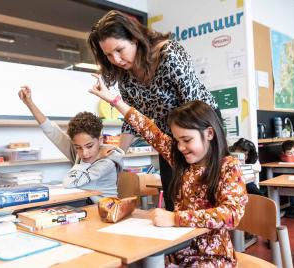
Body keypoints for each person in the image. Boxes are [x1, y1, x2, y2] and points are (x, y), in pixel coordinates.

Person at [89, 76, 247, 267]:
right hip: (175, 251)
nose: (180, 147)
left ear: (209, 133)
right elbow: (148, 128)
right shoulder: (181, 160)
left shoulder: (228, 166)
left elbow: (231, 215)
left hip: (211, 258)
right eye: (177, 140)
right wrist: (115, 101)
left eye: (187, 140)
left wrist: (174, 217)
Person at [88, 10, 221, 211]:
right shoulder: (125, 76)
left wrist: (187, 144)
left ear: (134, 38)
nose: (116, 59)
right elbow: (133, 118)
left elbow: (194, 107)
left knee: (206, 192)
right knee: (172, 194)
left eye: (119, 50)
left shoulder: (168, 54)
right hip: (167, 135)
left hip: (201, 126)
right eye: (108, 55)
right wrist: (118, 155)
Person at [18, 86, 124, 204]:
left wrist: (86, 161)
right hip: (85, 205)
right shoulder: (81, 153)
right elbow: (52, 132)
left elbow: (70, 183)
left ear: (100, 140)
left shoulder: (107, 161)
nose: (84, 153)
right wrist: (29, 103)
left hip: (105, 209)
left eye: (89, 146)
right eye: (78, 147)